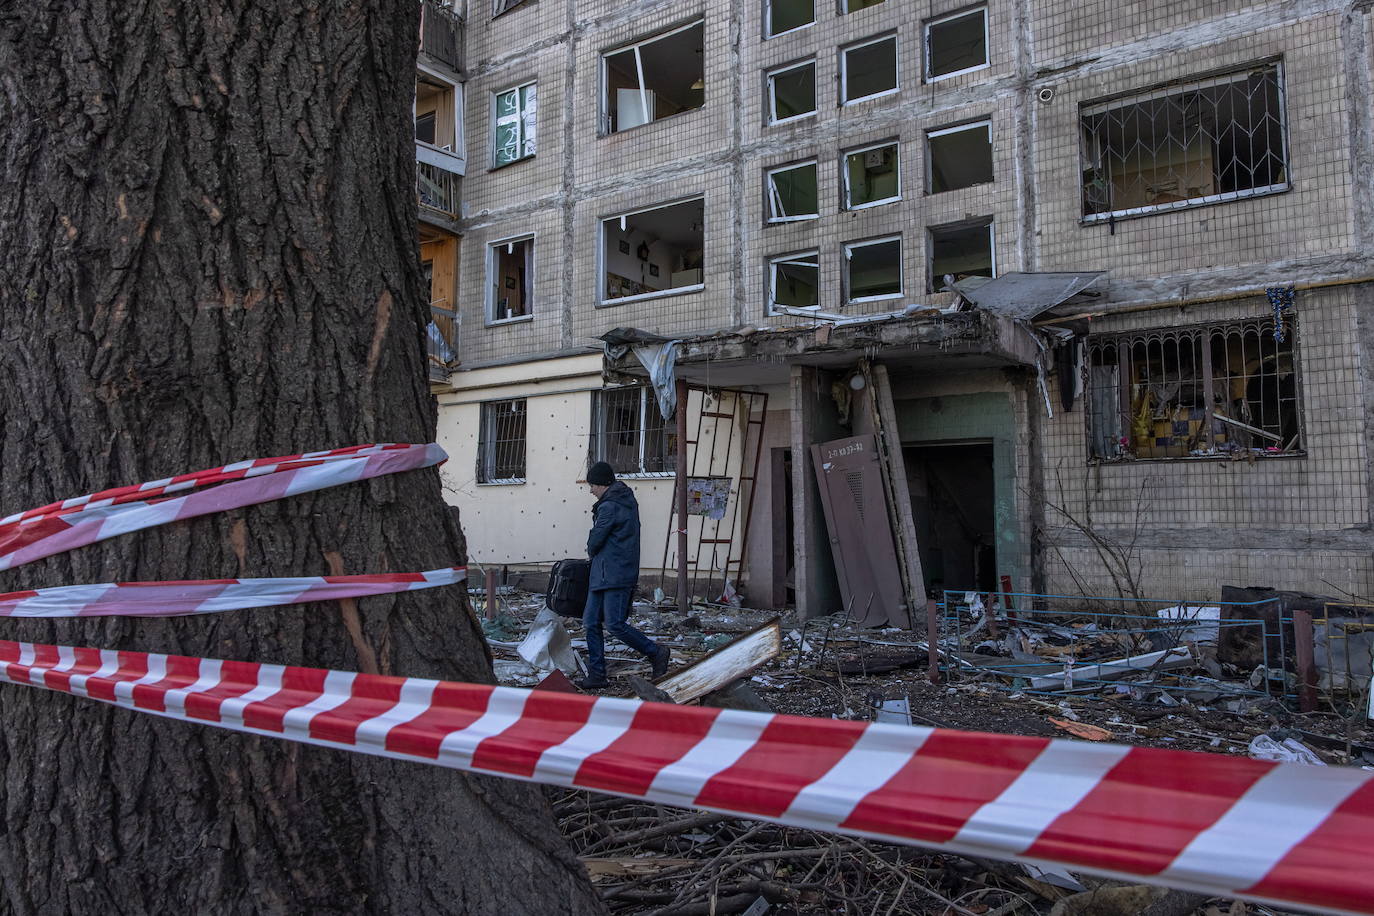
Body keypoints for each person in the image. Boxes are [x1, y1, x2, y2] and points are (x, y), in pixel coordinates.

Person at [575, 461, 670, 689]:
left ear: (602, 484)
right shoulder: (622, 501)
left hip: (614, 574)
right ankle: (597, 675)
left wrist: (591, 546)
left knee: (614, 624)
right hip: (606, 573)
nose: (591, 491)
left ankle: (656, 652)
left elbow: (596, 540)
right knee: (591, 622)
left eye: (592, 485)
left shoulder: (610, 506)